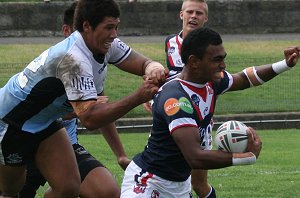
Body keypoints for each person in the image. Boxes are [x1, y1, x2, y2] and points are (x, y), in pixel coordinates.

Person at [0, 0, 167, 197]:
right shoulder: (73, 59)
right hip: (12, 123)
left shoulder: (104, 43)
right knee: (10, 191)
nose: (114, 34)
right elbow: (90, 118)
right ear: (87, 26)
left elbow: (142, 62)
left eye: (116, 27)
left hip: (44, 123)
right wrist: (139, 96)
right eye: (109, 28)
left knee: (69, 187)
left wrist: (153, 68)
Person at [121, 27, 300, 198]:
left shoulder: (211, 82)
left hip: (179, 186)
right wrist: (247, 157)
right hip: (148, 183)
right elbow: (195, 158)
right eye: (216, 59)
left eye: (223, 58)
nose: (223, 65)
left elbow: (245, 78)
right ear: (194, 62)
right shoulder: (175, 99)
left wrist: (285, 64)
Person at [19, 2, 130, 197]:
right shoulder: (56, 63)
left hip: (65, 146)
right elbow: (30, 112)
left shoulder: (91, 66)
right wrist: (76, 110)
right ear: (68, 30)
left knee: (107, 191)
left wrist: (120, 154)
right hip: (28, 140)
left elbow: (99, 114)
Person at [144, 1, 212, 196]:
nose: (193, 16)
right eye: (189, 12)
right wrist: (152, 95)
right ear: (181, 15)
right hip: (174, 114)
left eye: (199, 13)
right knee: (166, 171)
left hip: (199, 118)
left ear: (205, 18)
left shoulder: (211, 44)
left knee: (199, 184)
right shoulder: (170, 42)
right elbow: (173, 76)